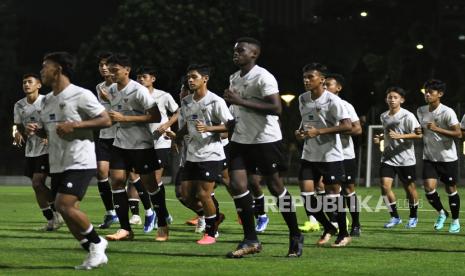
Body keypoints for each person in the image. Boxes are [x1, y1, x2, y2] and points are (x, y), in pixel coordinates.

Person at [27, 51, 111, 269]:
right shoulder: (46, 102)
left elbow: (106, 119)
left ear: (59, 69)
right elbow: (52, 132)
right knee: (61, 207)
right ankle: (93, 251)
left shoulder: (80, 95)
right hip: (58, 162)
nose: (42, 71)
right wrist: (39, 132)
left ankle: (97, 242)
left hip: (80, 160)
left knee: (64, 204)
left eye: (45, 66)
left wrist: (75, 125)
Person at [223, 37, 303, 258]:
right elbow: (238, 109)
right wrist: (231, 119)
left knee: (276, 188)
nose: (236, 53)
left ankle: (295, 235)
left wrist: (240, 102)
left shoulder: (263, 76)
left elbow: (276, 108)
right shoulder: (234, 77)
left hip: (265, 140)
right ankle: (251, 240)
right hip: (240, 140)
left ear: (254, 54)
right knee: (239, 185)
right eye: (235, 50)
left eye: (241, 50)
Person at [103, 53, 165, 241]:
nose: (111, 74)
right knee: (116, 182)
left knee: (151, 185)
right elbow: (116, 115)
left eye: (115, 70)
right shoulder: (112, 89)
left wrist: (125, 118)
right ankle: (125, 229)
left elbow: (156, 117)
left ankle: (162, 225)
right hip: (120, 143)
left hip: (141, 145)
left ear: (127, 70)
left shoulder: (139, 90)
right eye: (110, 70)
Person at [295, 63, 352, 247]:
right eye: (305, 77)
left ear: (322, 79)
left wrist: (319, 132)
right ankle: (328, 226)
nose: (306, 80)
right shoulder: (302, 98)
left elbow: (347, 126)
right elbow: (305, 121)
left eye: (311, 77)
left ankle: (343, 233)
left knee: (332, 198)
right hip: (309, 154)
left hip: (331, 156)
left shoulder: (334, 101)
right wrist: (300, 131)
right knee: (306, 196)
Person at [177, 64, 233, 244]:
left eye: (194, 77)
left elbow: (231, 126)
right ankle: (214, 216)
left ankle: (211, 232)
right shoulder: (186, 102)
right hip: (192, 154)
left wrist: (209, 128)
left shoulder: (216, 101)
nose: (190, 80)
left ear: (205, 79)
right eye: (188, 77)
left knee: (203, 194)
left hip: (211, 153)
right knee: (185, 195)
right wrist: (177, 137)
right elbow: (187, 124)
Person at [13, 73, 63, 231]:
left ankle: (60, 211)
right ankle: (51, 220)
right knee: (37, 186)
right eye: (24, 82)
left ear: (38, 85)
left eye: (30, 82)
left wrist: (49, 135)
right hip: (31, 150)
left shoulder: (47, 101)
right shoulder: (19, 105)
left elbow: (57, 121)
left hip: (48, 149)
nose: (26, 84)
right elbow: (18, 124)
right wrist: (18, 133)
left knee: (37, 182)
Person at [416, 79, 462, 233]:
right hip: (429, 156)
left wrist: (437, 129)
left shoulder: (447, 112)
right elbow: (422, 131)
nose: (427, 94)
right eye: (425, 92)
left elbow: (458, 133)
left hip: (447, 158)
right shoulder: (421, 110)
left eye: (431, 92)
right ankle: (442, 213)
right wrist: (418, 132)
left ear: (440, 94)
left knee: (450, 189)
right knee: (428, 188)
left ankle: (455, 221)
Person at [374, 87, 422, 229]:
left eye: (395, 97)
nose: (392, 99)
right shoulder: (383, 116)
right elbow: (388, 133)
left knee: (409, 189)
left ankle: (413, 217)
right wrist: (381, 137)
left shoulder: (408, 116)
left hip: (405, 159)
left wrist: (401, 136)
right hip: (388, 158)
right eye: (390, 97)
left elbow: (418, 135)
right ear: (386, 99)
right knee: (384, 187)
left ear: (402, 100)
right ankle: (395, 217)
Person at [93, 51, 119, 229]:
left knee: (131, 178)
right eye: (101, 65)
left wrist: (108, 98)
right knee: (102, 173)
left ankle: (151, 211)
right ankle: (111, 213)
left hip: (123, 137)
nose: (103, 68)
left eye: (106, 65)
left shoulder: (123, 86)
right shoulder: (99, 87)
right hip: (105, 136)